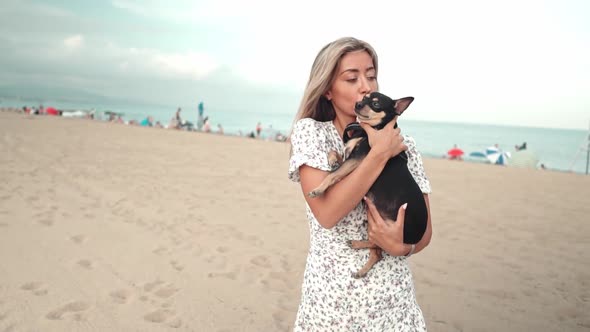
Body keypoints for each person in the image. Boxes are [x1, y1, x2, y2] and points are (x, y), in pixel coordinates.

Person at [288, 37, 432, 331]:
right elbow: (327, 213)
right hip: (332, 310)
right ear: (328, 89)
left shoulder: (404, 145)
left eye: (371, 75)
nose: (366, 85)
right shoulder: (312, 134)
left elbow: (425, 231)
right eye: (352, 78)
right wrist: (379, 152)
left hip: (395, 308)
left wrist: (403, 247)